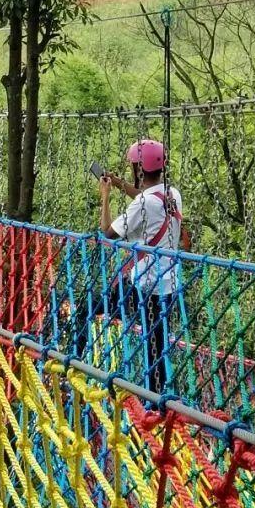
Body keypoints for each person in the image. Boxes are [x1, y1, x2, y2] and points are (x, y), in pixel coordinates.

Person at [96, 139, 183, 393]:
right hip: (171, 285)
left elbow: (107, 232)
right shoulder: (171, 194)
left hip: (146, 286)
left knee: (91, 308)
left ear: (138, 170)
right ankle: (157, 398)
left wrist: (106, 195)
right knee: (156, 342)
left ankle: (152, 401)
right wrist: (120, 183)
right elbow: (146, 198)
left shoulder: (141, 205)